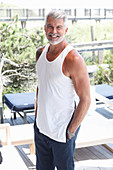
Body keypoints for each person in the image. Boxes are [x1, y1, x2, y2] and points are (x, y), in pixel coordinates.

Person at [34, 9, 91, 170]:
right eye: (50, 27)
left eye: (58, 27)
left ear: (65, 30)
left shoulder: (73, 59)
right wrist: (37, 115)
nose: (54, 31)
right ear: (45, 28)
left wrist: (71, 131)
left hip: (62, 132)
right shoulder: (40, 53)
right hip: (41, 128)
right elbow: (41, 85)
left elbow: (86, 99)